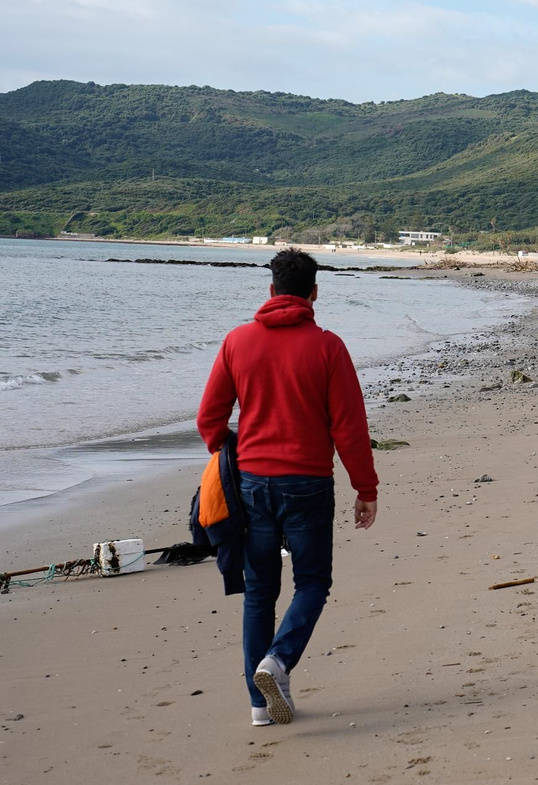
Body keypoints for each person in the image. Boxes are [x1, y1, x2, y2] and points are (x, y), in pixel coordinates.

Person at [197, 248, 380, 727]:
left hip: (252, 485)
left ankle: (260, 707)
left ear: (271, 291)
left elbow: (210, 419)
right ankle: (277, 662)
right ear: (314, 294)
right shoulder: (328, 347)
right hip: (308, 484)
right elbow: (349, 428)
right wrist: (366, 488)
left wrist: (229, 453)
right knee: (313, 582)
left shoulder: (238, 342)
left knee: (259, 592)